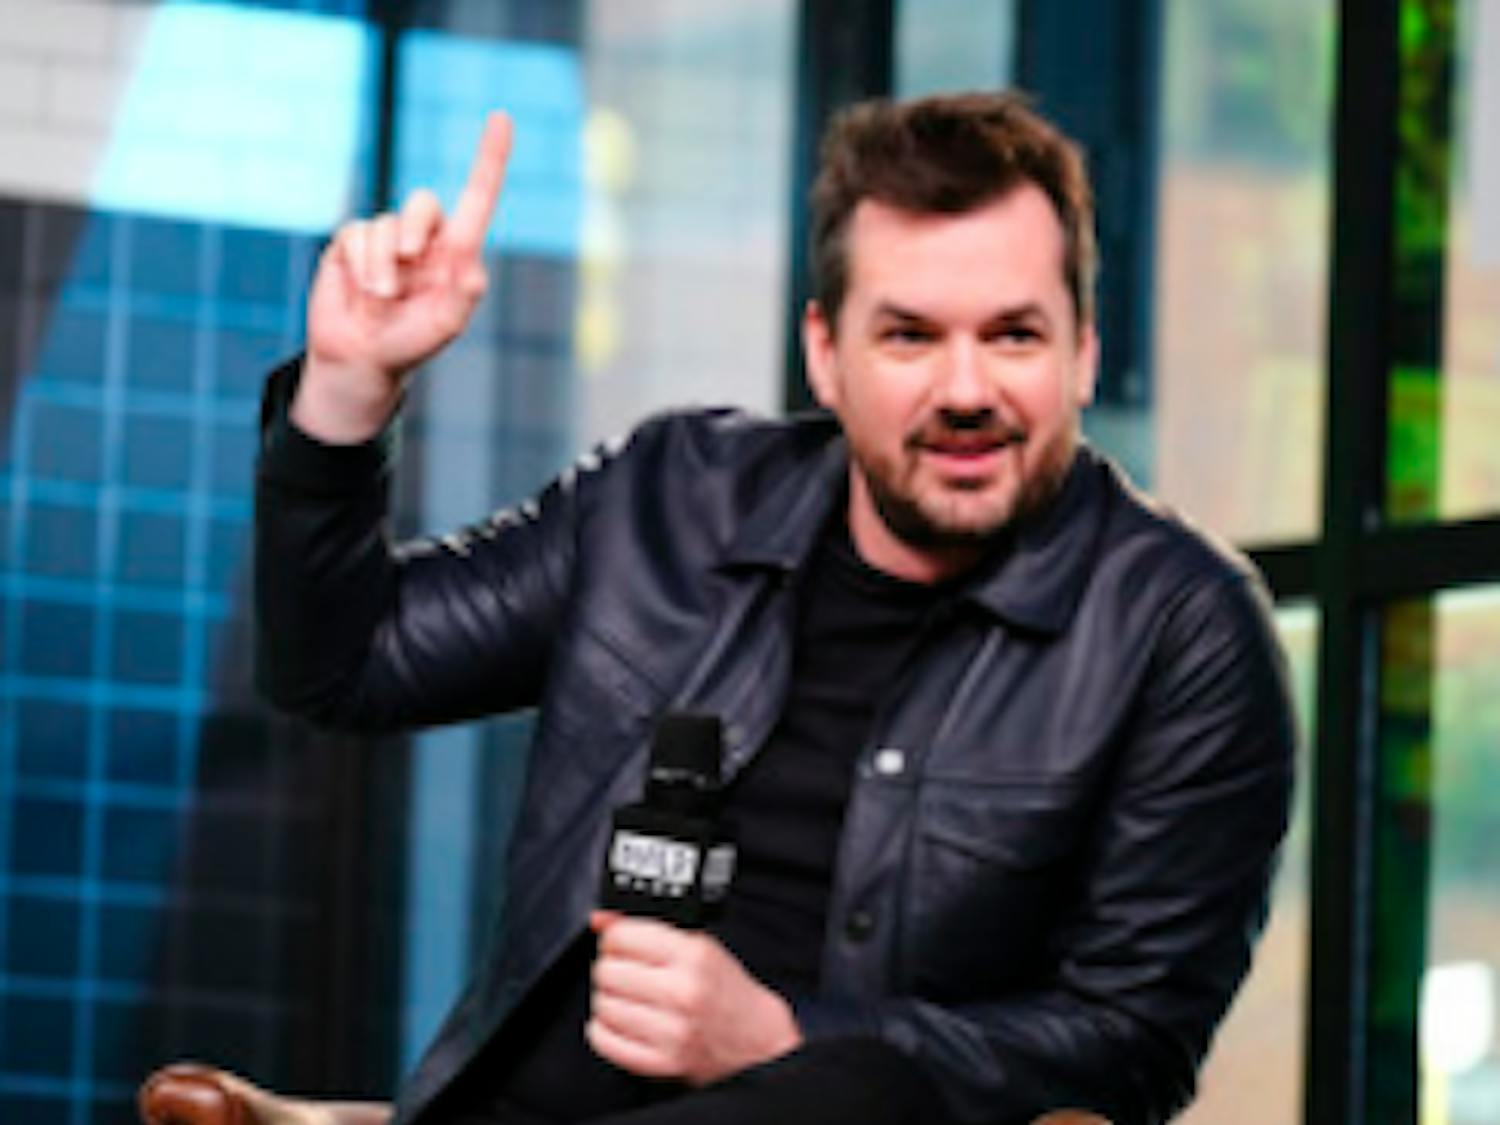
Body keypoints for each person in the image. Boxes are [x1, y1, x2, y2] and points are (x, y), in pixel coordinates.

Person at [254, 92, 1295, 1125]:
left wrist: (781, 1038)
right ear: (825, 356)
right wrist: (349, 390)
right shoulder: (671, 499)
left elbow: (1131, 1047)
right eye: (910, 337)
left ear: (1085, 356)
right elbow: (346, 662)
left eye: (1015, 335)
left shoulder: (1181, 633)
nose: (967, 388)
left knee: (864, 1090)